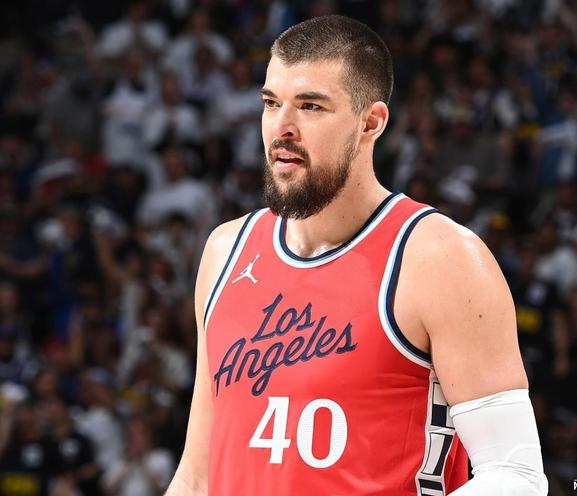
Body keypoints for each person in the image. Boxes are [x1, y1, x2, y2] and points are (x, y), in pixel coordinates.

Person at [166, 15, 547, 496]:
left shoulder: (439, 258)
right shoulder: (227, 251)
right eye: (271, 103)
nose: (282, 127)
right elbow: (197, 477)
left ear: (371, 122)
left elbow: (515, 474)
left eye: (310, 106)